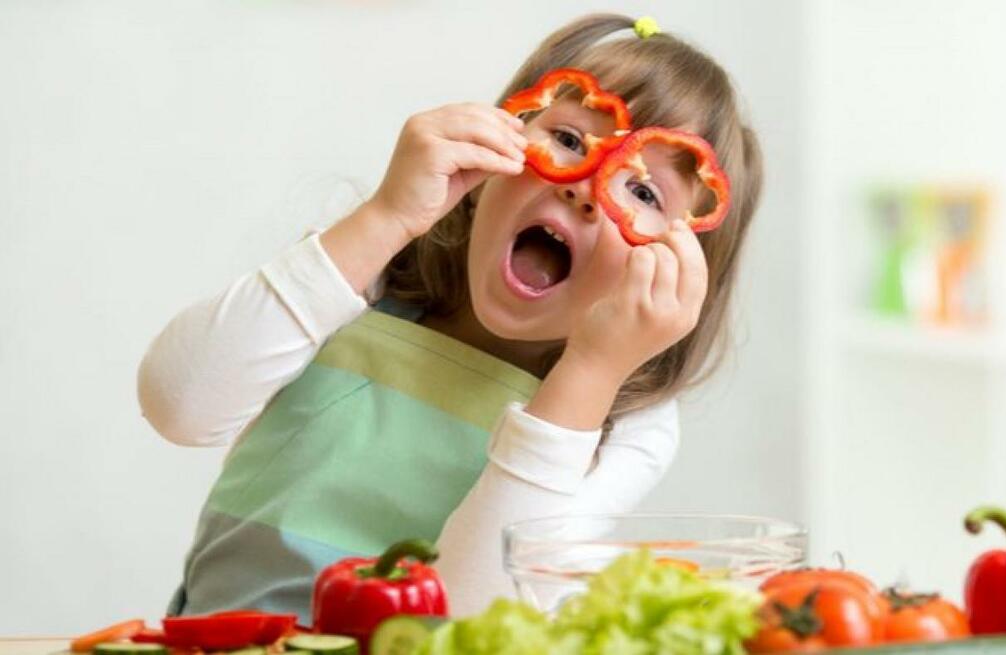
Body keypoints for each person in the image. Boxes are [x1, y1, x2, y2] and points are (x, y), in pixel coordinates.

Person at [137, 13, 763, 620]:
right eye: (568, 139)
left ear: (681, 268)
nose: (585, 187)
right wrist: (384, 216)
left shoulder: (631, 423)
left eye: (644, 191)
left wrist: (591, 372)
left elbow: (473, 615)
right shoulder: (365, 273)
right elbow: (178, 406)